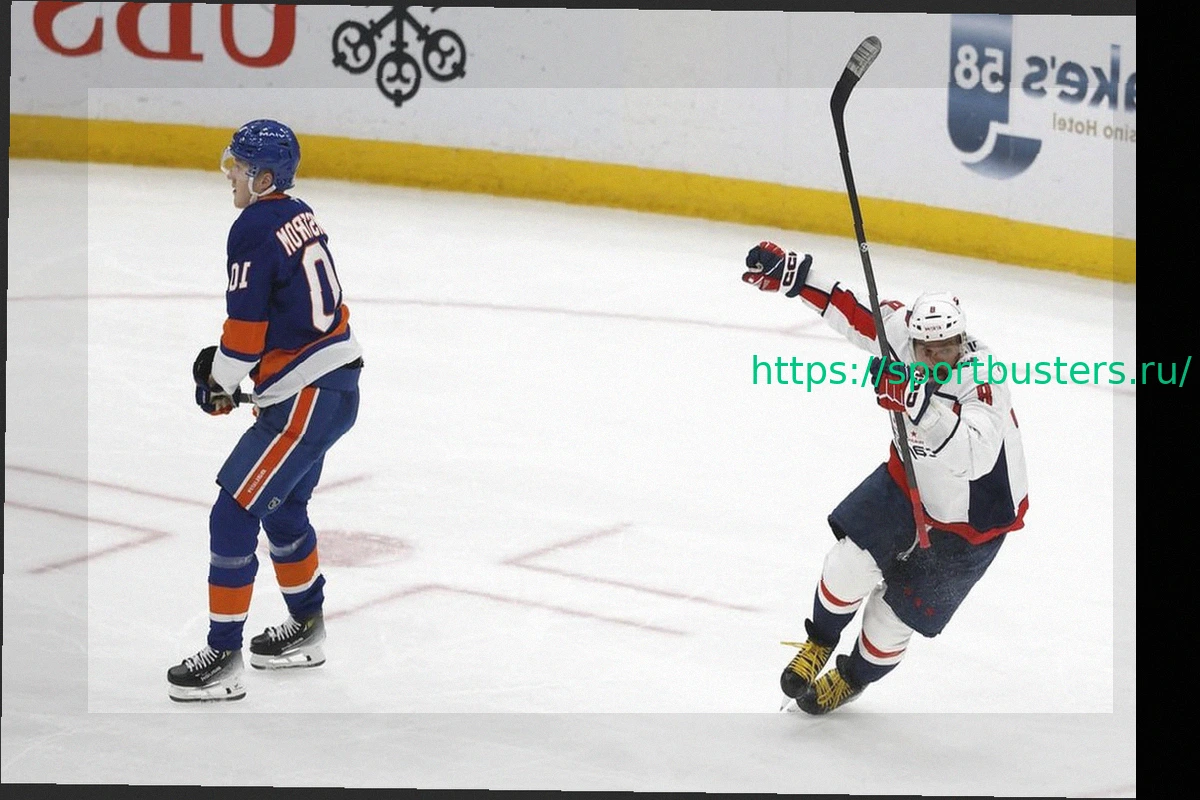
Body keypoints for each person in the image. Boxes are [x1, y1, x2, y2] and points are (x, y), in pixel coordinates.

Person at [741, 241, 1028, 714]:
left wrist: (918, 402)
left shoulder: (984, 377)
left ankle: (851, 678)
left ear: (962, 340)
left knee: (891, 620)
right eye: (927, 349)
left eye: (947, 347)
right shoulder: (901, 335)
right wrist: (795, 277)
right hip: (908, 481)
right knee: (847, 565)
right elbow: (853, 309)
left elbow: (974, 458)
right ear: (913, 341)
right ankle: (819, 642)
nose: (937, 357)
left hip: (972, 521)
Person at [167, 119, 364, 702]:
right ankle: (306, 626)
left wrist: (219, 382)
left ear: (265, 177)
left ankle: (223, 658)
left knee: (232, 514)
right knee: (283, 509)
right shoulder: (298, 213)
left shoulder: (252, 226)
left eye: (240, 166)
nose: (229, 172)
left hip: (307, 394)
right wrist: (237, 376)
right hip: (333, 383)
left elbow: (245, 336)